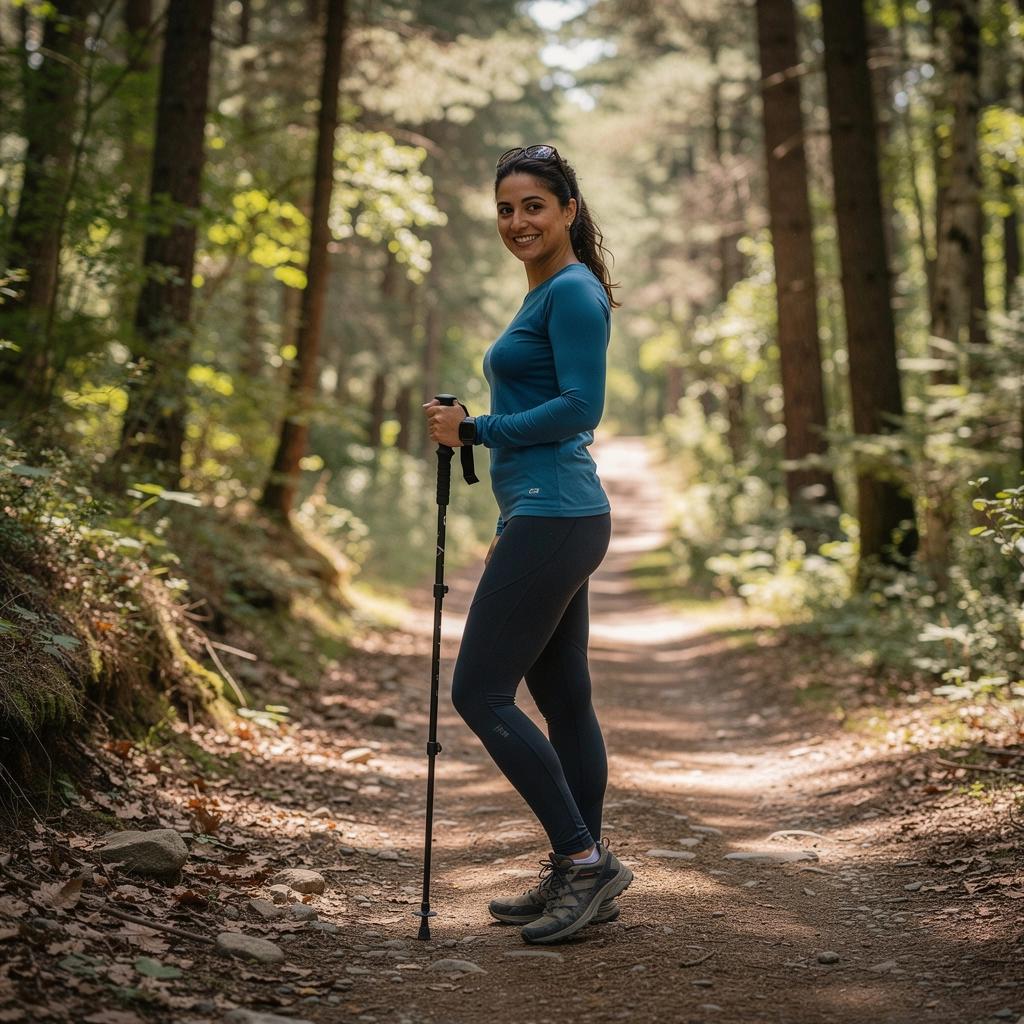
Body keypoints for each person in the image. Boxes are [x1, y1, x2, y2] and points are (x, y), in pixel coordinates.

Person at [422, 144, 631, 946]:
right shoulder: (548, 291)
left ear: (568, 210)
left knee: (479, 693)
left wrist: (475, 428)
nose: (517, 221)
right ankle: (581, 866)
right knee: (565, 698)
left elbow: (582, 408)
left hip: (558, 515)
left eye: (534, 206)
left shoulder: (571, 291)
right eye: (506, 209)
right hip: (547, 515)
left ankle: (584, 861)